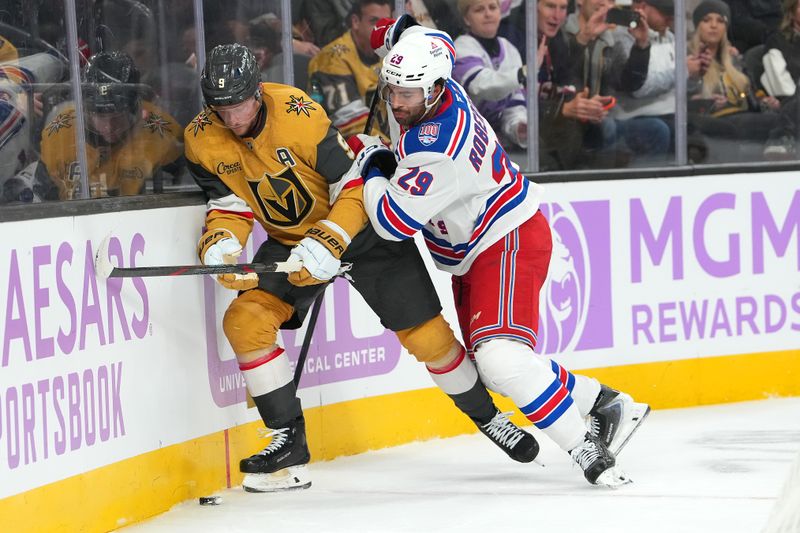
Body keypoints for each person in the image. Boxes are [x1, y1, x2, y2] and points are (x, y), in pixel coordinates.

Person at [185, 43, 540, 493]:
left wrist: (329, 240)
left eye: (239, 104)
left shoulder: (299, 114)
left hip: (362, 231)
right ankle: (289, 444)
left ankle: (488, 417)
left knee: (427, 336)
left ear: (257, 91)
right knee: (243, 321)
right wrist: (220, 243)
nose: (233, 119)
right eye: (221, 109)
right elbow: (228, 203)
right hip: (291, 242)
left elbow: (351, 184)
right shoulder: (200, 138)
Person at [352, 15, 651, 486]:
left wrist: (370, 167)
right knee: (497, 370)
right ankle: (604, 402)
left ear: (434, 90)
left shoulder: (438, 148)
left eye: (406, 94)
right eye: (391, 89)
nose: (395, 101)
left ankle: (586, 448)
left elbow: (391, 222)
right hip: (478, 246)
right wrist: (391, 32)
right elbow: (414, 33)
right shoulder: (428, 68)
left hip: (503, 239)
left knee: (501, 362)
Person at [36, 51, 184, 200]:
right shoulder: (59, 134)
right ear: (85, 110)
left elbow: (186, 184)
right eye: (100, 117)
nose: (108, 126)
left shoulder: (161, 131)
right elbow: (43, 199)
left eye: (117, 117)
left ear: (133, 107)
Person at [564, 0, 671, 166]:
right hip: (569, 115)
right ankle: (602, 180)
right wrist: (584, 37)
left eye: (610, 0)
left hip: (604, 116)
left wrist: (641, 45)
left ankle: (646, 187)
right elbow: (561, 73)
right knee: (607, 127)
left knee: (657, 130)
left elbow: (630, 84)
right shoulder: (561, 29)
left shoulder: (611, 38)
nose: (604, 4)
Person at [307, 0, 391, 139]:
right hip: (340, 148)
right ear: (355, 21)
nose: (381, 30)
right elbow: (351, 123)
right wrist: (390, 150)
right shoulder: (332, 58)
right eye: (374, 22)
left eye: (386, 24)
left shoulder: (391, 52)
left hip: (382, 143)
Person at [453, 0, 528, 150]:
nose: (488, 14)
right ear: (467, 19)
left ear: (500, 13)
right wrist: (522, 73)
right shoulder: (460, 47)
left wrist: (519, 127)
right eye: (479, 10)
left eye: (493, 8)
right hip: (463, 143)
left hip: (495, 146)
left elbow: (514, 104)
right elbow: (483, 86)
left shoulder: (509, 49)